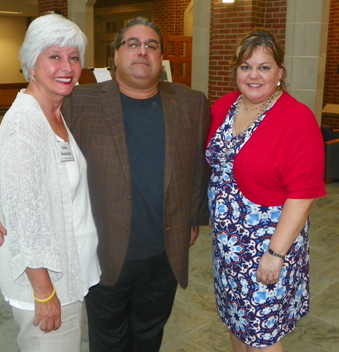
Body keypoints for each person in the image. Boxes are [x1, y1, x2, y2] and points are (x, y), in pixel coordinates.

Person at [60, 17, 211, 351]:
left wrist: (193, 217)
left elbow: (199, 165)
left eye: (151, 45)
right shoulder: (77, 102)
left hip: (164, 251)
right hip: (104, 249)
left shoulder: (191, 103)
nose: (143, 51)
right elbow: (43, 157)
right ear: (115, 55)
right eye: (133, 44)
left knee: (149, 333)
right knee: (108, 336)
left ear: (160, 57)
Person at [205, 28, 326, 352]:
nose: (253, 75)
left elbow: (303, 193)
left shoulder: (296, 118)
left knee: (262, 334)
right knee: (236, 319)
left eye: (264, 67)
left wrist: (275, 254)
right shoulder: (225, 107)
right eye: (246, 66)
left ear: (280, 72)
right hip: (229, 248)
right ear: (236, 71)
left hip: (268, 245)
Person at [0, 14, 100, 352]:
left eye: (73, 57)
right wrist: (45, 293)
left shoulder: (56, 111)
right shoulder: (25, 125)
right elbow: (26, 223)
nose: (66, 66)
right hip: (46, 285)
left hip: (70, 271)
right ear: (31, 65)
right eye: (54, 56)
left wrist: (4, 207)